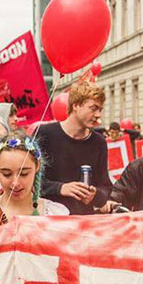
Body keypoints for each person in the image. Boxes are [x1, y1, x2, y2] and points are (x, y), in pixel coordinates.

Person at [33, 81, 112, 215]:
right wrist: (60, 188)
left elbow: (106, 187)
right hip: (49, 219)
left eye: (100, 110)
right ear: (76, 105)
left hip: (83, 220)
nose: (98, 115)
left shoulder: (99, 142)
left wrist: (95, 195)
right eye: (93, 108)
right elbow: (30, 180)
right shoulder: (45, 133)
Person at [0, 132, 69, 226]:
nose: (15, 183)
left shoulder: (56, 215)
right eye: (7, 174)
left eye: (24, 174)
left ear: (37, 166)